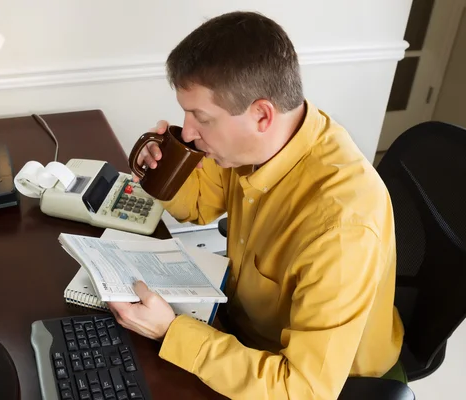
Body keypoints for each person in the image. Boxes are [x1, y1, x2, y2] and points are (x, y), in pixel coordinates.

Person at [107, 10, 404, 400]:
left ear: (262, 114)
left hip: (327, 380)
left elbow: (304, 389)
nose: (189, 131)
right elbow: (198, 205)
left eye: (201, 118)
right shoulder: (257, 144)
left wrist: (173, 333)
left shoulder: (343, 226)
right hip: (243, 334)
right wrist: (164, 173)